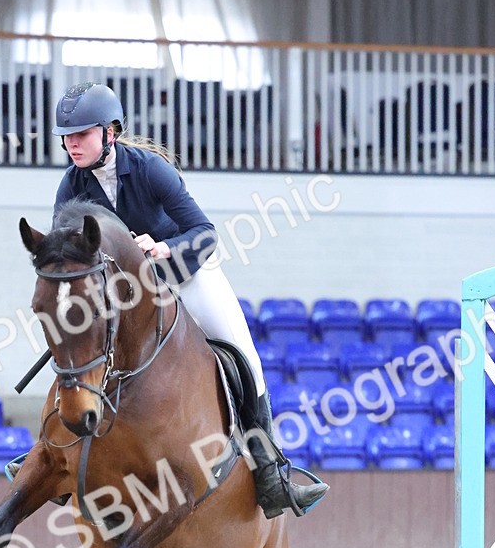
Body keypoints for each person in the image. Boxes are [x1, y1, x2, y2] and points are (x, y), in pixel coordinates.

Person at [50, 82, 328, 520]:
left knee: (244, 354)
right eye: (67, 136)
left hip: (187, 273)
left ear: (110, 133)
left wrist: (163, 248)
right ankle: (52, 455)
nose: (72, 144)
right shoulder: (71, 185)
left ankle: (270, 473)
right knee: (74, 340)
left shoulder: (150, 170)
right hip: (130, 294)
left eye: (81, 134)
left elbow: (205, 233)